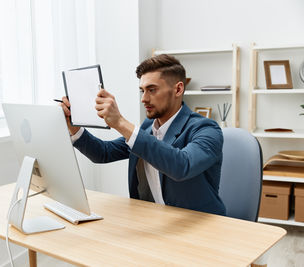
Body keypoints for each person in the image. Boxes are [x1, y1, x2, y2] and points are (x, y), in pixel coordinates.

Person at [61, 54, 226, 215]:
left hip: (201, 226)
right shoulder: (148, 128)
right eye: (142, 91)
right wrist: (74, 128)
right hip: (157, 221)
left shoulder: (207, 129)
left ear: (178, 89)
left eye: (152, 90)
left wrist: (120, 123)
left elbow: (182, 166)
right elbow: (103, 153)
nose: (144, 99)